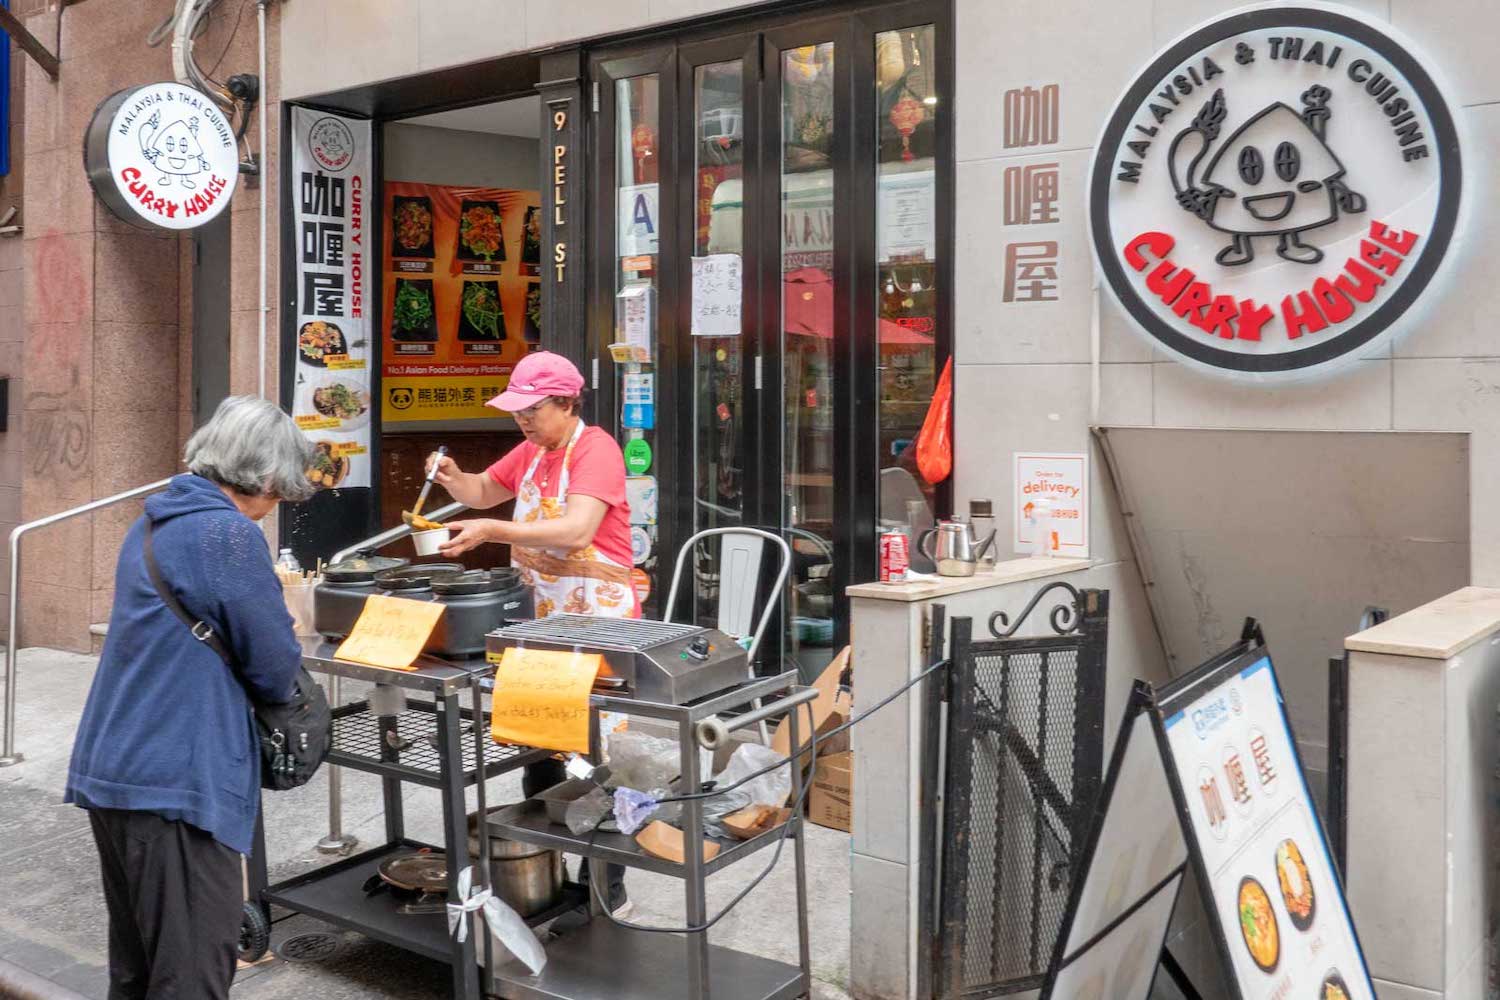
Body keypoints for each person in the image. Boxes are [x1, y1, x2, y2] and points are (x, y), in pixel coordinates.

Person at [66, 396, 316, 999]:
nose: (275, 505)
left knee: (138, 967)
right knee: (192, 972)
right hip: (176, 776)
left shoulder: (157, 520)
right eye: (280, 490)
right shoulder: (225, 534)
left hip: (119, 763)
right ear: (260, 477)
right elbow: (273, 661)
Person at [428, 350, 634, 914]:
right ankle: (549, 874)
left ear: (566, 403)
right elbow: (480, 492)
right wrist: (452, 479)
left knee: (595, 757)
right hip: (543, 622)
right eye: (517, 409)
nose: (522, 419)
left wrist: (492, 529)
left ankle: (606, 890)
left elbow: (577, 528)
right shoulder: (532, 451)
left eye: (533, 409)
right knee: (539, 745)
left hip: (598, 622)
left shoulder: (597, 450)